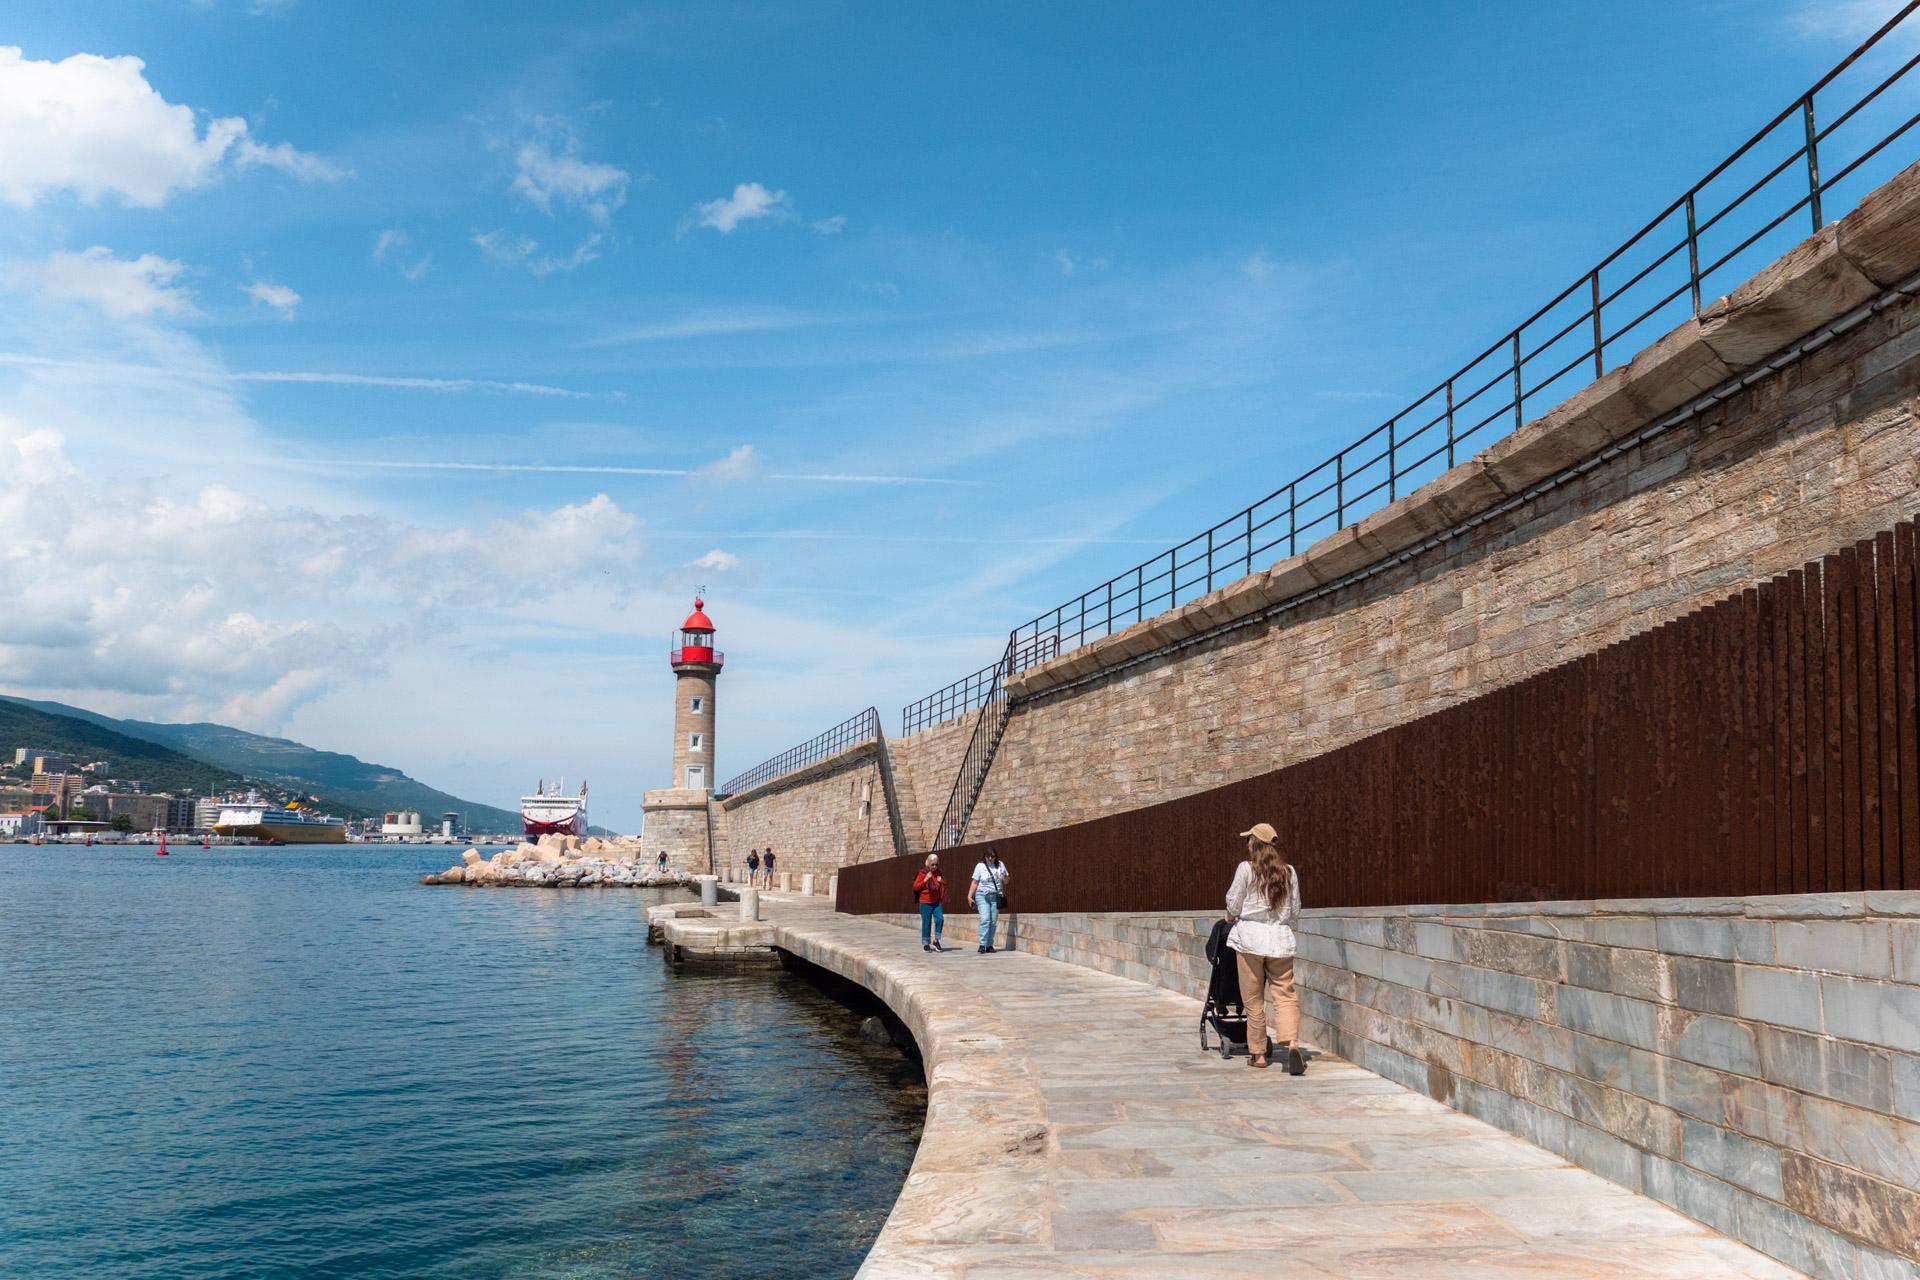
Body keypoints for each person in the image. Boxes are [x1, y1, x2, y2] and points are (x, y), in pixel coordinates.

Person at [1225, 821, 1305, 1074]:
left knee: (1253, 999)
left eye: (1249, 840)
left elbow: (1234, 903)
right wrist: (1280, 922)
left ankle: (1258, 1054)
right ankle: (1291, 1044)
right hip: (1280, 941)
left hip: (1250, 940)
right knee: (1285, 995)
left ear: (1254, 844)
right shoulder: (1288, 872)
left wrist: (1230, 916)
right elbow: (1295, 910)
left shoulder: (1246, 870)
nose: (1247, 844)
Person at [968, 847, 1010, 953]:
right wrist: (969, 896)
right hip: (982, 895)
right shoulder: (980, 866)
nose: (990, 859)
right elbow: (975, 882)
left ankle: (989, 945)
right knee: (985, 919)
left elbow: (1006, 881)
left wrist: (1004, 877)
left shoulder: (1000, 865)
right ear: (985, 856)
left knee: (993, 921)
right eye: (988, 856)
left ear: (996, 857)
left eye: (992, 856)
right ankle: (982, 944)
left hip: (995, 896)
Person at [913, 854, 947, 952]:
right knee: (926, 923)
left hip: (936, 902)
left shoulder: (938, 872)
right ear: (928, 863)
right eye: (932, 865)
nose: (934, 867)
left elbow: (944, 884)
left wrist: (942, 881)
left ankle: (936, 941)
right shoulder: (922, 873)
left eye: (936, 864)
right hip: (925, 902)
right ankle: (926, 943)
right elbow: (915, 887)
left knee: (940, 919)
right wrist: (925, 879)